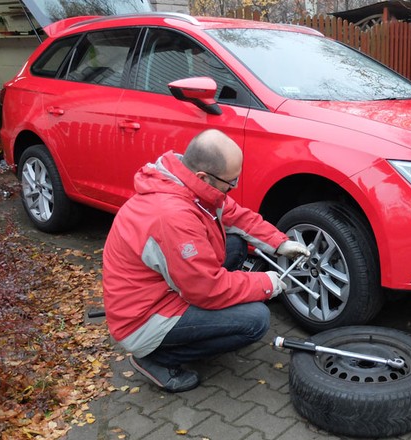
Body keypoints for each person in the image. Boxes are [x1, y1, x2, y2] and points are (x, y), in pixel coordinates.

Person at [102, 129, 310, 393]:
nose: (232, 187)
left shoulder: (189, 186)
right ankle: (157, 359)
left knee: (232, 245)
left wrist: (280, 242)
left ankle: (194, 333)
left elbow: (238, 216)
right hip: (142, 318)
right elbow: (206, 290)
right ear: (203, 176)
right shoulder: (172, 216)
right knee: (256, 320)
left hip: (162, 289)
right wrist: (266, 283)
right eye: (231, 182)